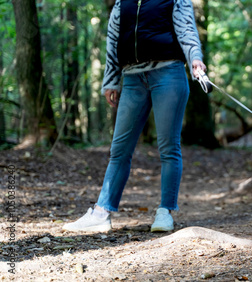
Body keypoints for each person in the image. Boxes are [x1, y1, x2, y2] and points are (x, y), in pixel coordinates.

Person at [63, 0, 206, 232]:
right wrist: (111, 80)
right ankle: (102, 212)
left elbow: (186, 28)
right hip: (132, 78)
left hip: (168, 72)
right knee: (119, 150)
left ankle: (165, 212)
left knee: (169, 147)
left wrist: (195, 59)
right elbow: (113, 40)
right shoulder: (122, 2)